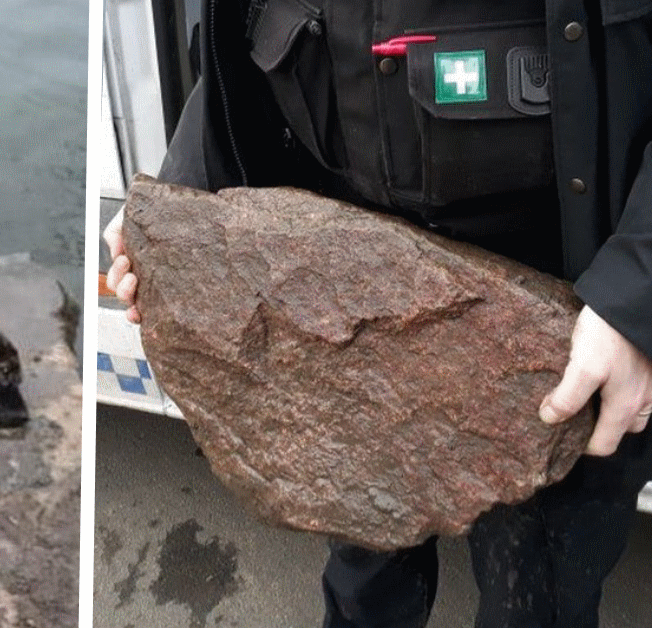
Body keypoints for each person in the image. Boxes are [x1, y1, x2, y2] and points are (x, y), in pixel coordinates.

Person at [105, 0, 652, 626]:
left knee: (538, 597)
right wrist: (180, 202)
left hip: (566, 312)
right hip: (336, 280)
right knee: (364, 577)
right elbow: (237, 22)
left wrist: (637, 294)